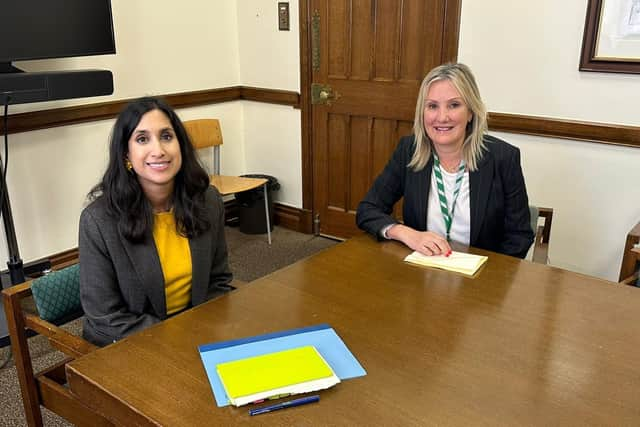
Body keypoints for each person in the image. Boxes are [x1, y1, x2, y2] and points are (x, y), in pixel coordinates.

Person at [79, 97, 233, 346]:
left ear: (180, 145)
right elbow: (105, 316)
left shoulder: (208, 201)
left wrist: (203, 330)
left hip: (195, 331)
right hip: (130, 341)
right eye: (142, 139)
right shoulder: (98, 221)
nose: (159, 150)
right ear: (126, 154)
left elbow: (218, 281)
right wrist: (176, 337)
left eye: (166, 136)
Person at [356, 63, 534, 259]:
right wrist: (406, 233)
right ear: (422, 113)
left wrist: (489, 278)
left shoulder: (503, 158)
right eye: (432, 106)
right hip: (420, 271)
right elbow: (368, 209)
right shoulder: (409, 150)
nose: (442, 117)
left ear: (471, 112)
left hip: (480, 277)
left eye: (454, 105)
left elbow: (519, 236)